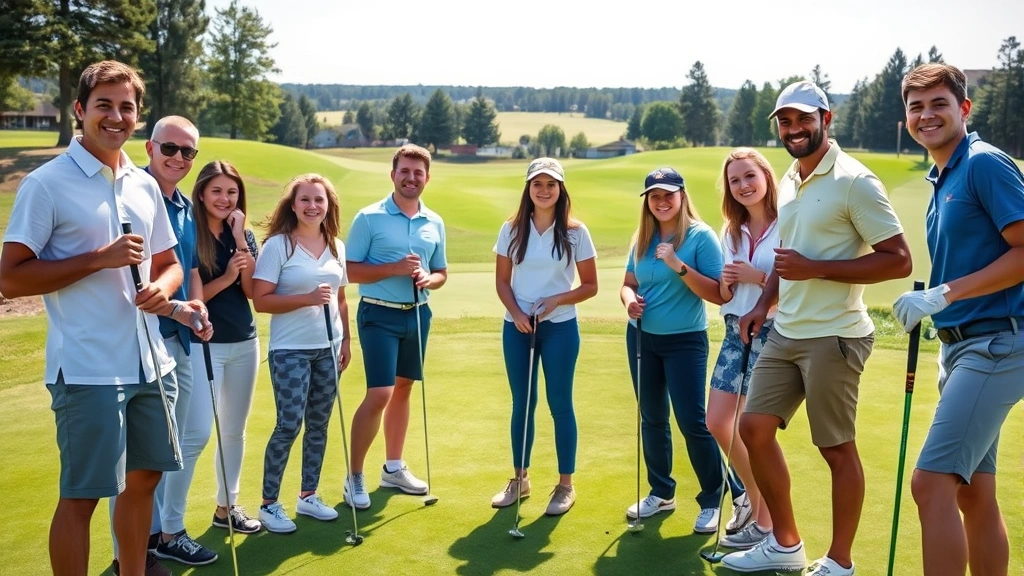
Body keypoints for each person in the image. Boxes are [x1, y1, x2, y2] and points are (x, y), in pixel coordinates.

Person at [0, 60, 205, 576]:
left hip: (152, 364)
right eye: (104, 105)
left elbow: (169, 262)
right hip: (89, 370)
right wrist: (98, 258)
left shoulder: (143, 184)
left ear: (138, 116)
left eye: (126, 107)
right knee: (84, 497)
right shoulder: (47, 184)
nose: (116, 116)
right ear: (79, 110)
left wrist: (163, 289)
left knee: (144, 483)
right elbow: (10, 277)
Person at [722, 81, 912, 575]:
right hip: (787, 329)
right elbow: (789, 259)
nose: (793, 129)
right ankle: (786, 545)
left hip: (837, 335)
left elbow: (898, 261)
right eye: (785, 122)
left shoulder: (856, 181)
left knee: (835, 448)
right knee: (753, 429)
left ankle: (841, 562)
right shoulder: (788, 178)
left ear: (826, 119)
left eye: (803, 119)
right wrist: (763, 303)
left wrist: (816, 269)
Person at [893, 63, 1024, 576]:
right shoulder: (943, 175)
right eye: (916, 106)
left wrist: (944, 294)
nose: (926, 115)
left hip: (997, 344)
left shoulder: (985, 165)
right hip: (961, 348)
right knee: (973, 493)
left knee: (930, 484)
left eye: (938, 104)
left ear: (964, 109)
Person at [105, 115, 209, 576]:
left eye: (189, 152)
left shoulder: (184, 205)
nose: (179, 159)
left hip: (176, 341)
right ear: (150, 147)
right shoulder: (128, 191)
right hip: (126, 346)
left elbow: (178, 270)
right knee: (129, 465)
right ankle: (132, 554)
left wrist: (192, 306)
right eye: (171, 148)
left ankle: (160, 537)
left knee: (169, 451)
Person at [620, 166, 742, 535]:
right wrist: (628, 302)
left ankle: (713, 497)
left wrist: (678, 265)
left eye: (667, 194)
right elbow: (627, 283)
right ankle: (661, 492)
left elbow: (721, 293)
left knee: (693, 420)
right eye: (654, 196)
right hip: (641, 336)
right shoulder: (642, 236)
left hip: (685, 340)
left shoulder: (701, 237)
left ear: (681, 196)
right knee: (652, 417)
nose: (661, 201)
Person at [155, 161, 263, 565]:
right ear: (201, 193)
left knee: (234, 431)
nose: (225, 199)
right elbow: (199, 299)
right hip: (206, 343)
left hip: (245, 342)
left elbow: (250, 291)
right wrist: (228, 274)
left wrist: (240, 242)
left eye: (232, 192)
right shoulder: (190, 234)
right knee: (197, 434)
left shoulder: (245, 236)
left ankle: (226, 508)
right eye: (217, 191)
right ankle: (170, 529)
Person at [490, 158, 598, 516]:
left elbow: (590, 286)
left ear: (560, 189)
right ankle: (520, 479)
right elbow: (502, 282)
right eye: (538, 184)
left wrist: (556, 299)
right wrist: (518, 315)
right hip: (517, 327)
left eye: (551, 184)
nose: (544, 190)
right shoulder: (511, 230)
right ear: (529, 188)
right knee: (522, 403)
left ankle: (565, 485)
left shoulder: (576, 232)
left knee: (560, 404)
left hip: (560, 326)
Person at [344, 144, 447, 509]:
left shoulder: (434, 222)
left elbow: (442, 272)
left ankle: (393, 468)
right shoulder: (368, 218)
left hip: (417, 314)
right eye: (405, 171)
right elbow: (349, 270)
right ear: (393, 174)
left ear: (427, 178)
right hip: (378, 314)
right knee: (381, 393)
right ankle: (354, 476)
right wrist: (393, 269)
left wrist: (427, 279)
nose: (411, 178)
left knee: (404, 389)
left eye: (418, 173)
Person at [253, 174, 350, 533]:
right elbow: (262, 301)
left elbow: (340, 299)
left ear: (328, 205)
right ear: (293, 205)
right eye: (305, 199)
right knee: (289, 423)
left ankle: (308, 495)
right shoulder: (278, 246)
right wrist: (306, 299)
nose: (312, 206)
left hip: (329, 348)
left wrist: (346, 342)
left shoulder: (337, 246)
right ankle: (268, 503)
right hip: (290, 350)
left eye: (319, 200)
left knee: (319, 425)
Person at [707, 148, 779, 549]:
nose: (743, 186)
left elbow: (798, 286)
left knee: (755, 432)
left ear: (765, 177)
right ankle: (754, 501)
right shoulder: (730, 231)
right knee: (718, 420)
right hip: (736, 330)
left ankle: (766, 525)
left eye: (749, 176)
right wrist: (728, 283)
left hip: (773, 332)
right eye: (735, 181)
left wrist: (757, 275)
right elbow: (722, 294)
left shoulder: (788, 223)